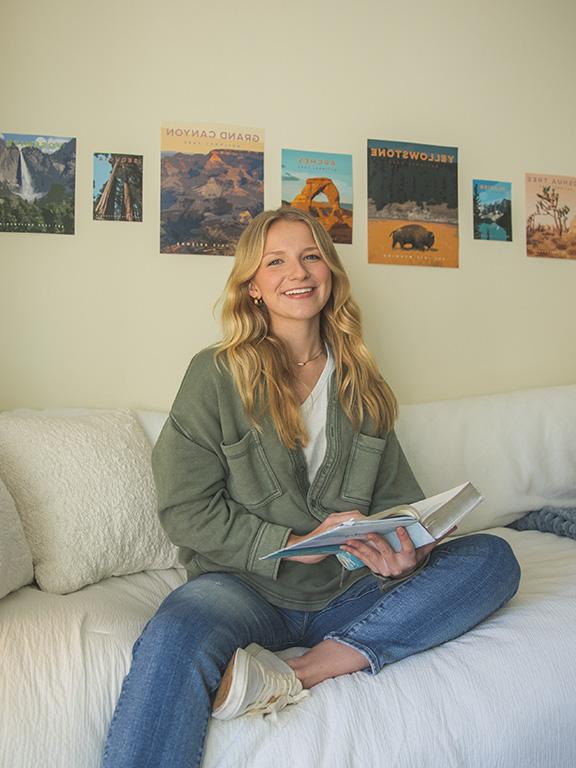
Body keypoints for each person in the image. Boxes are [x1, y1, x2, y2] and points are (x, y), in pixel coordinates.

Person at [101, 208, 521, 767]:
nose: (296, 272)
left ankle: (300, 671)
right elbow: (185, 509)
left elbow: (398, 501)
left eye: (310, 255)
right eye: (275, 261)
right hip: (240, 587)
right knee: (175, 632)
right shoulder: (215, 374)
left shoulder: (363, 383)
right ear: (253, 285)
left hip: (346, 593)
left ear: (330, 272)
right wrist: (290, 543)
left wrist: (404, 554)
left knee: (493, 558)